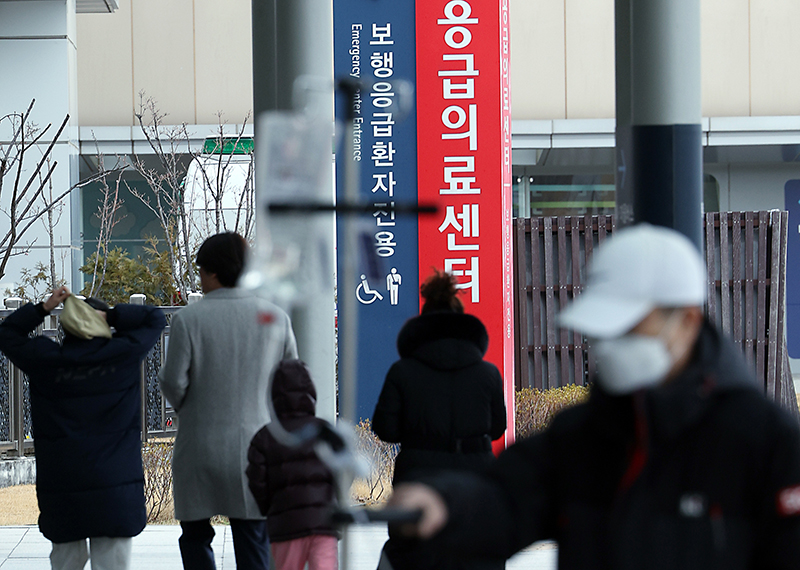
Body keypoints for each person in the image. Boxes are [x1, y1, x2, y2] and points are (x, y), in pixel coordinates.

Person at [388, 224, 800, 570]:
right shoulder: (582, 436)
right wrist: (442, 503)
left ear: (688, 321)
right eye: (602, 331)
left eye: (626, 327)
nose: (607, 346)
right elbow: (506, 499)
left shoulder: (767, 444)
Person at [159, 232, 299, 570]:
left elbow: (173, 381)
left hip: (199, 444)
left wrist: (191, 409)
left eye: (201, 271)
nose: (200, 278)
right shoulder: (275, 318)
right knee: (253, 537)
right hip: (258, 448)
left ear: (214, 272)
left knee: (194, 535)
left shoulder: (188, 319)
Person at [0, 287, 166, 570]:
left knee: (66, 564)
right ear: (102, 323)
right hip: (115, 486)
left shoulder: (46, 361)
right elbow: (155, 318)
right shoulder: (122, 355)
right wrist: (113, 314)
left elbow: (6, 334)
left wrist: (44, 307)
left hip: (63, 485)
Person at [372, 270, 507, 570]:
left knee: (415, 557)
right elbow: (497, 428)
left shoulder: (402, 372)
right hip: (475, 481)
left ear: (422, 325)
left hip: (418, 481)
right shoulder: (487, 374)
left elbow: (385, 429)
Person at [246, 359, 339, 570]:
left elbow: (256, 481)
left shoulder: (265, 437)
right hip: (323, 523)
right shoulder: (324, 431)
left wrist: (270, 509)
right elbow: (340, 472)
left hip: (286, 525)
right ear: (311, 392)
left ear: (274, 396)